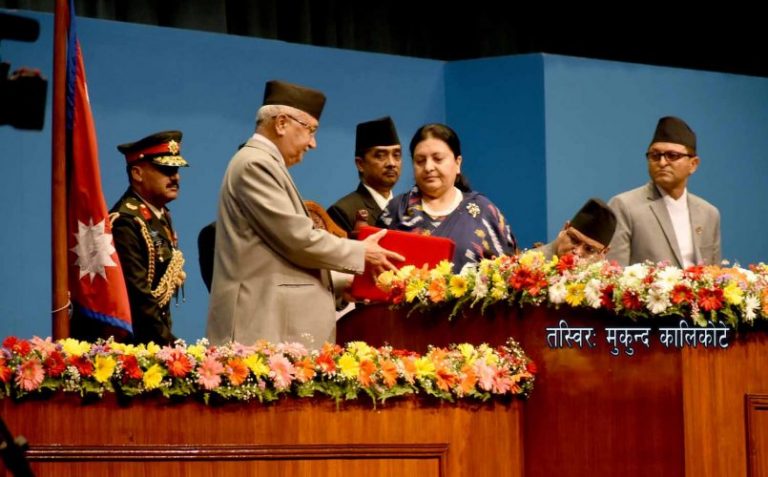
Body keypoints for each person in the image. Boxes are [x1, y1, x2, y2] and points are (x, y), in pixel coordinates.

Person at [206, 80, 402, 348]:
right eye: (311, 130)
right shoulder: (255, 164)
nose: (313, 143)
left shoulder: (264, 163)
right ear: (281, 123)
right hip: (261, 326)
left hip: (271, 325)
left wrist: (340, 282)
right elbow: (297, 240)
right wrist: (360, 252)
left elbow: (277, 257)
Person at [378, 123, 517, 270]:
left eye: (438, 159)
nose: (428, 167)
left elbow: (508, 271)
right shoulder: (396, 210)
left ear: (458, 163)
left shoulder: (484, 211)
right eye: (420, 161)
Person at [606, 116, 721, 267]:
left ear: (693, 164)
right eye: (655, 156)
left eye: (672, 156)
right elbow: (614, 273)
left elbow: (714, 273)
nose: (662, 163)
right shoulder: (624, 206)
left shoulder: (709, 213)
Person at [110, 130, 188, 345]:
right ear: (137, 173)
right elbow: (139, 297)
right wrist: (170, 344)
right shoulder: (126, 222)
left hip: (152, 343)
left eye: (176, 170)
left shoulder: (160, 215)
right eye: (166, 170)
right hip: (130, 345)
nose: (175, 177)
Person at [327, 116, 402, 234]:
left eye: (396, 155)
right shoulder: (343, 211)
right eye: (381, 156)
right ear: (360, 164)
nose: (391, 163)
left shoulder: (407, 210)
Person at [537, 198, 617, 261]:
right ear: (565, 228)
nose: (577, 252)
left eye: (589, 249)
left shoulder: (607, 275)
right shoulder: (532, 266)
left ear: (604, 252)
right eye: (574, 240)